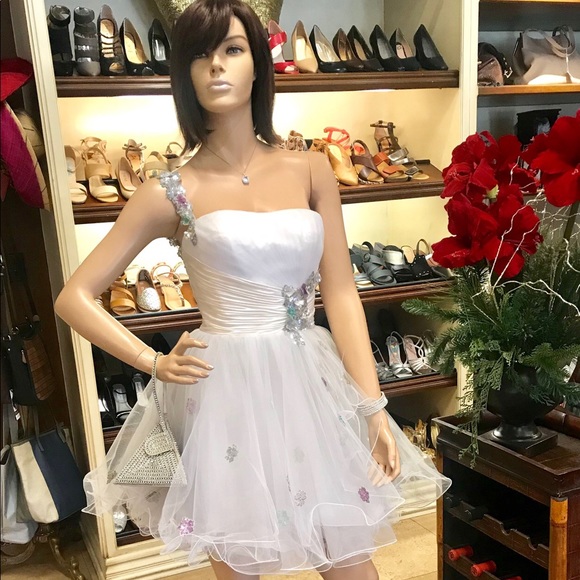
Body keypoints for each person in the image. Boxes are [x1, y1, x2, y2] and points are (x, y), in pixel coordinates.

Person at [55, 1, 450, 578]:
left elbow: (341, 293)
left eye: (233, 49)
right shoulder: (170, 191)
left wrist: (373, 407)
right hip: (224, 392)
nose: (217, 66)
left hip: (309, 380)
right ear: (184, 73)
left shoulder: (311, 168)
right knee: (241, 560)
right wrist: (151, 361)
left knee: (352, 562)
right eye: (200, 55)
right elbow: (73, 297)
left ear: (258, 63)